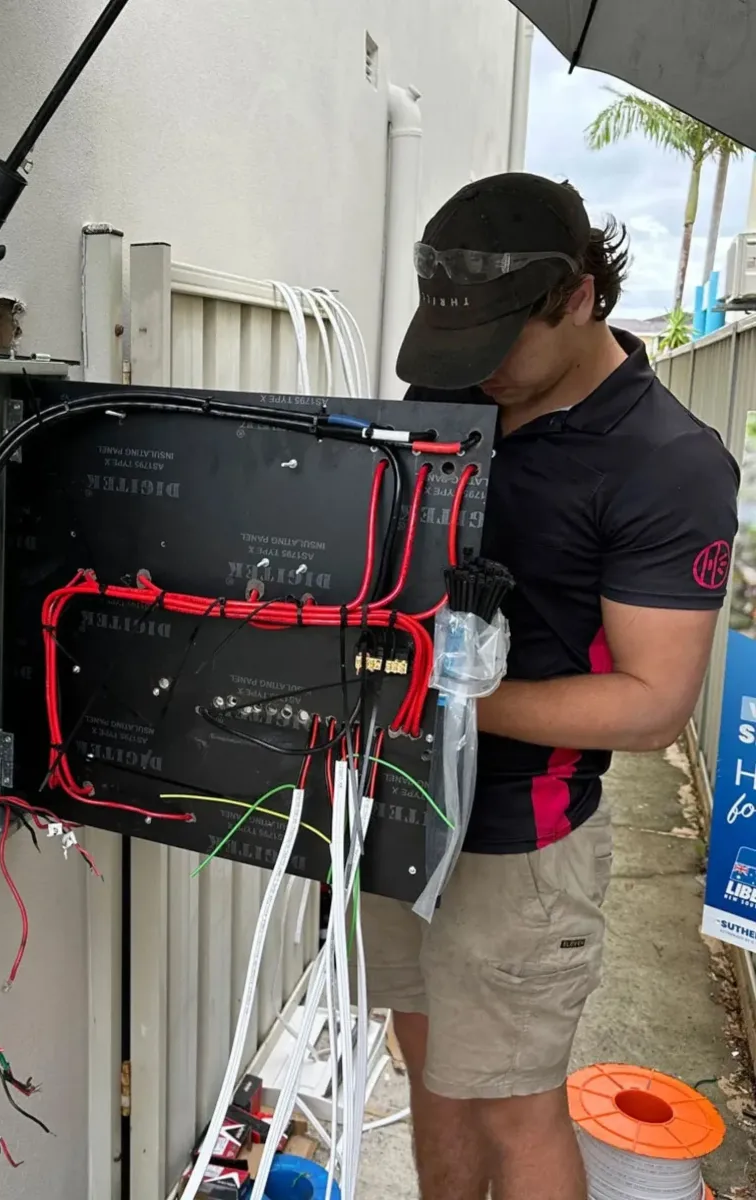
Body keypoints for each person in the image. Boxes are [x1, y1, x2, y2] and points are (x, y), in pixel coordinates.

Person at [363, 172, 740, 1200]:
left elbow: (654, 699)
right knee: (432, 1075)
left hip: (520, 850)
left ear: (577, 297)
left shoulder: (669, 462)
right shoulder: (454, 393)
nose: (474, 375)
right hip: (402, 812)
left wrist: (452, 695)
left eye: (499, 347)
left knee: (515, 1111)